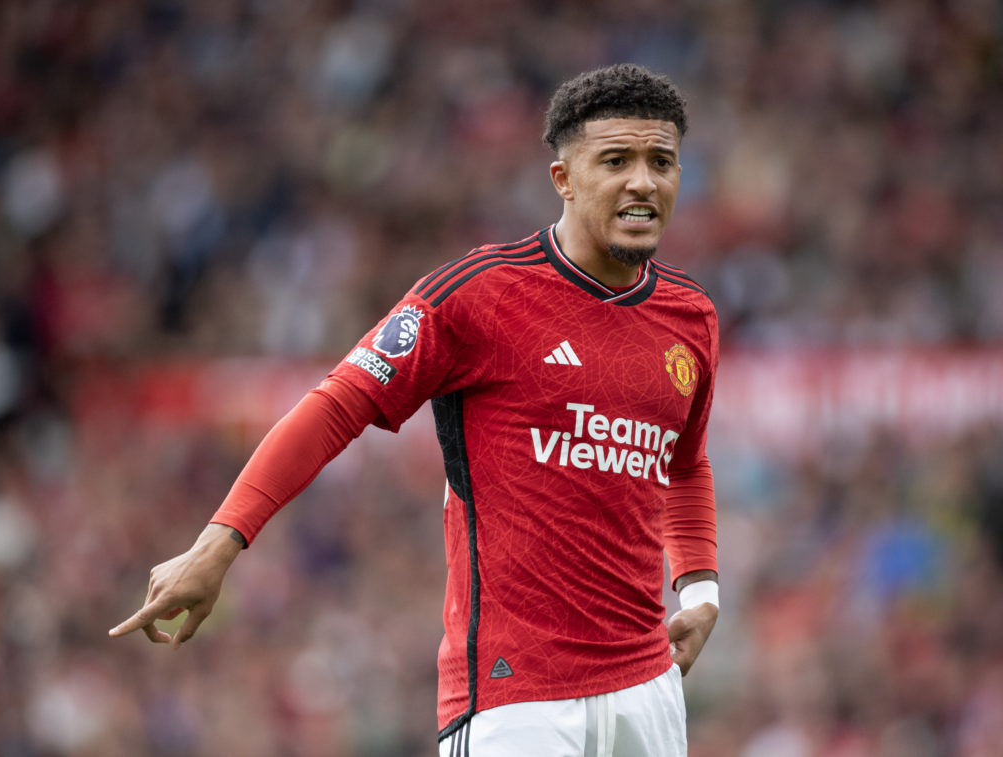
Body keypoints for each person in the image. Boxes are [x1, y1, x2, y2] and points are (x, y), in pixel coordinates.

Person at [110, 62, 720, 757]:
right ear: (565, 179)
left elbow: (686, 461)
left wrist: (701, 588)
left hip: (649, 689)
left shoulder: (691, 317)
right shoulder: (480, 295)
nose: (643, 181)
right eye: (616, 160)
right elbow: (339, 402)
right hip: (515, 698)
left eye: (661, 161)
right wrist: (220, 541)